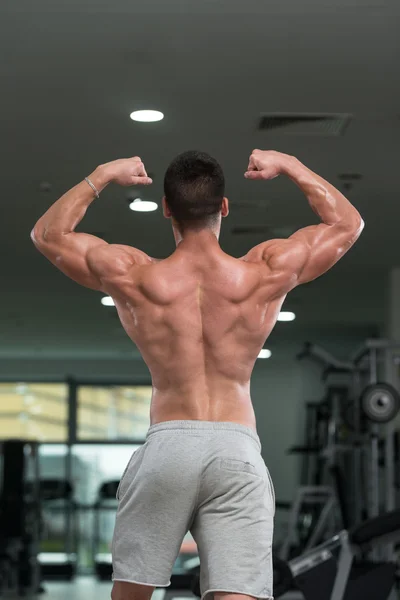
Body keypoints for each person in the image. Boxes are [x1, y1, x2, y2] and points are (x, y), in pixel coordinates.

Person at [31, 149, 364, 600]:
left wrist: (102, 174)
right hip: (236, 446)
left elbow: (49, 234)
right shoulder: (263, 272)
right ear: (224, 206)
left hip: (169, 443)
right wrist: (289, 164)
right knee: (236, 594)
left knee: (131, 595)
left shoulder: (136, 276)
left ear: (167, 208)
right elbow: (347, 224)